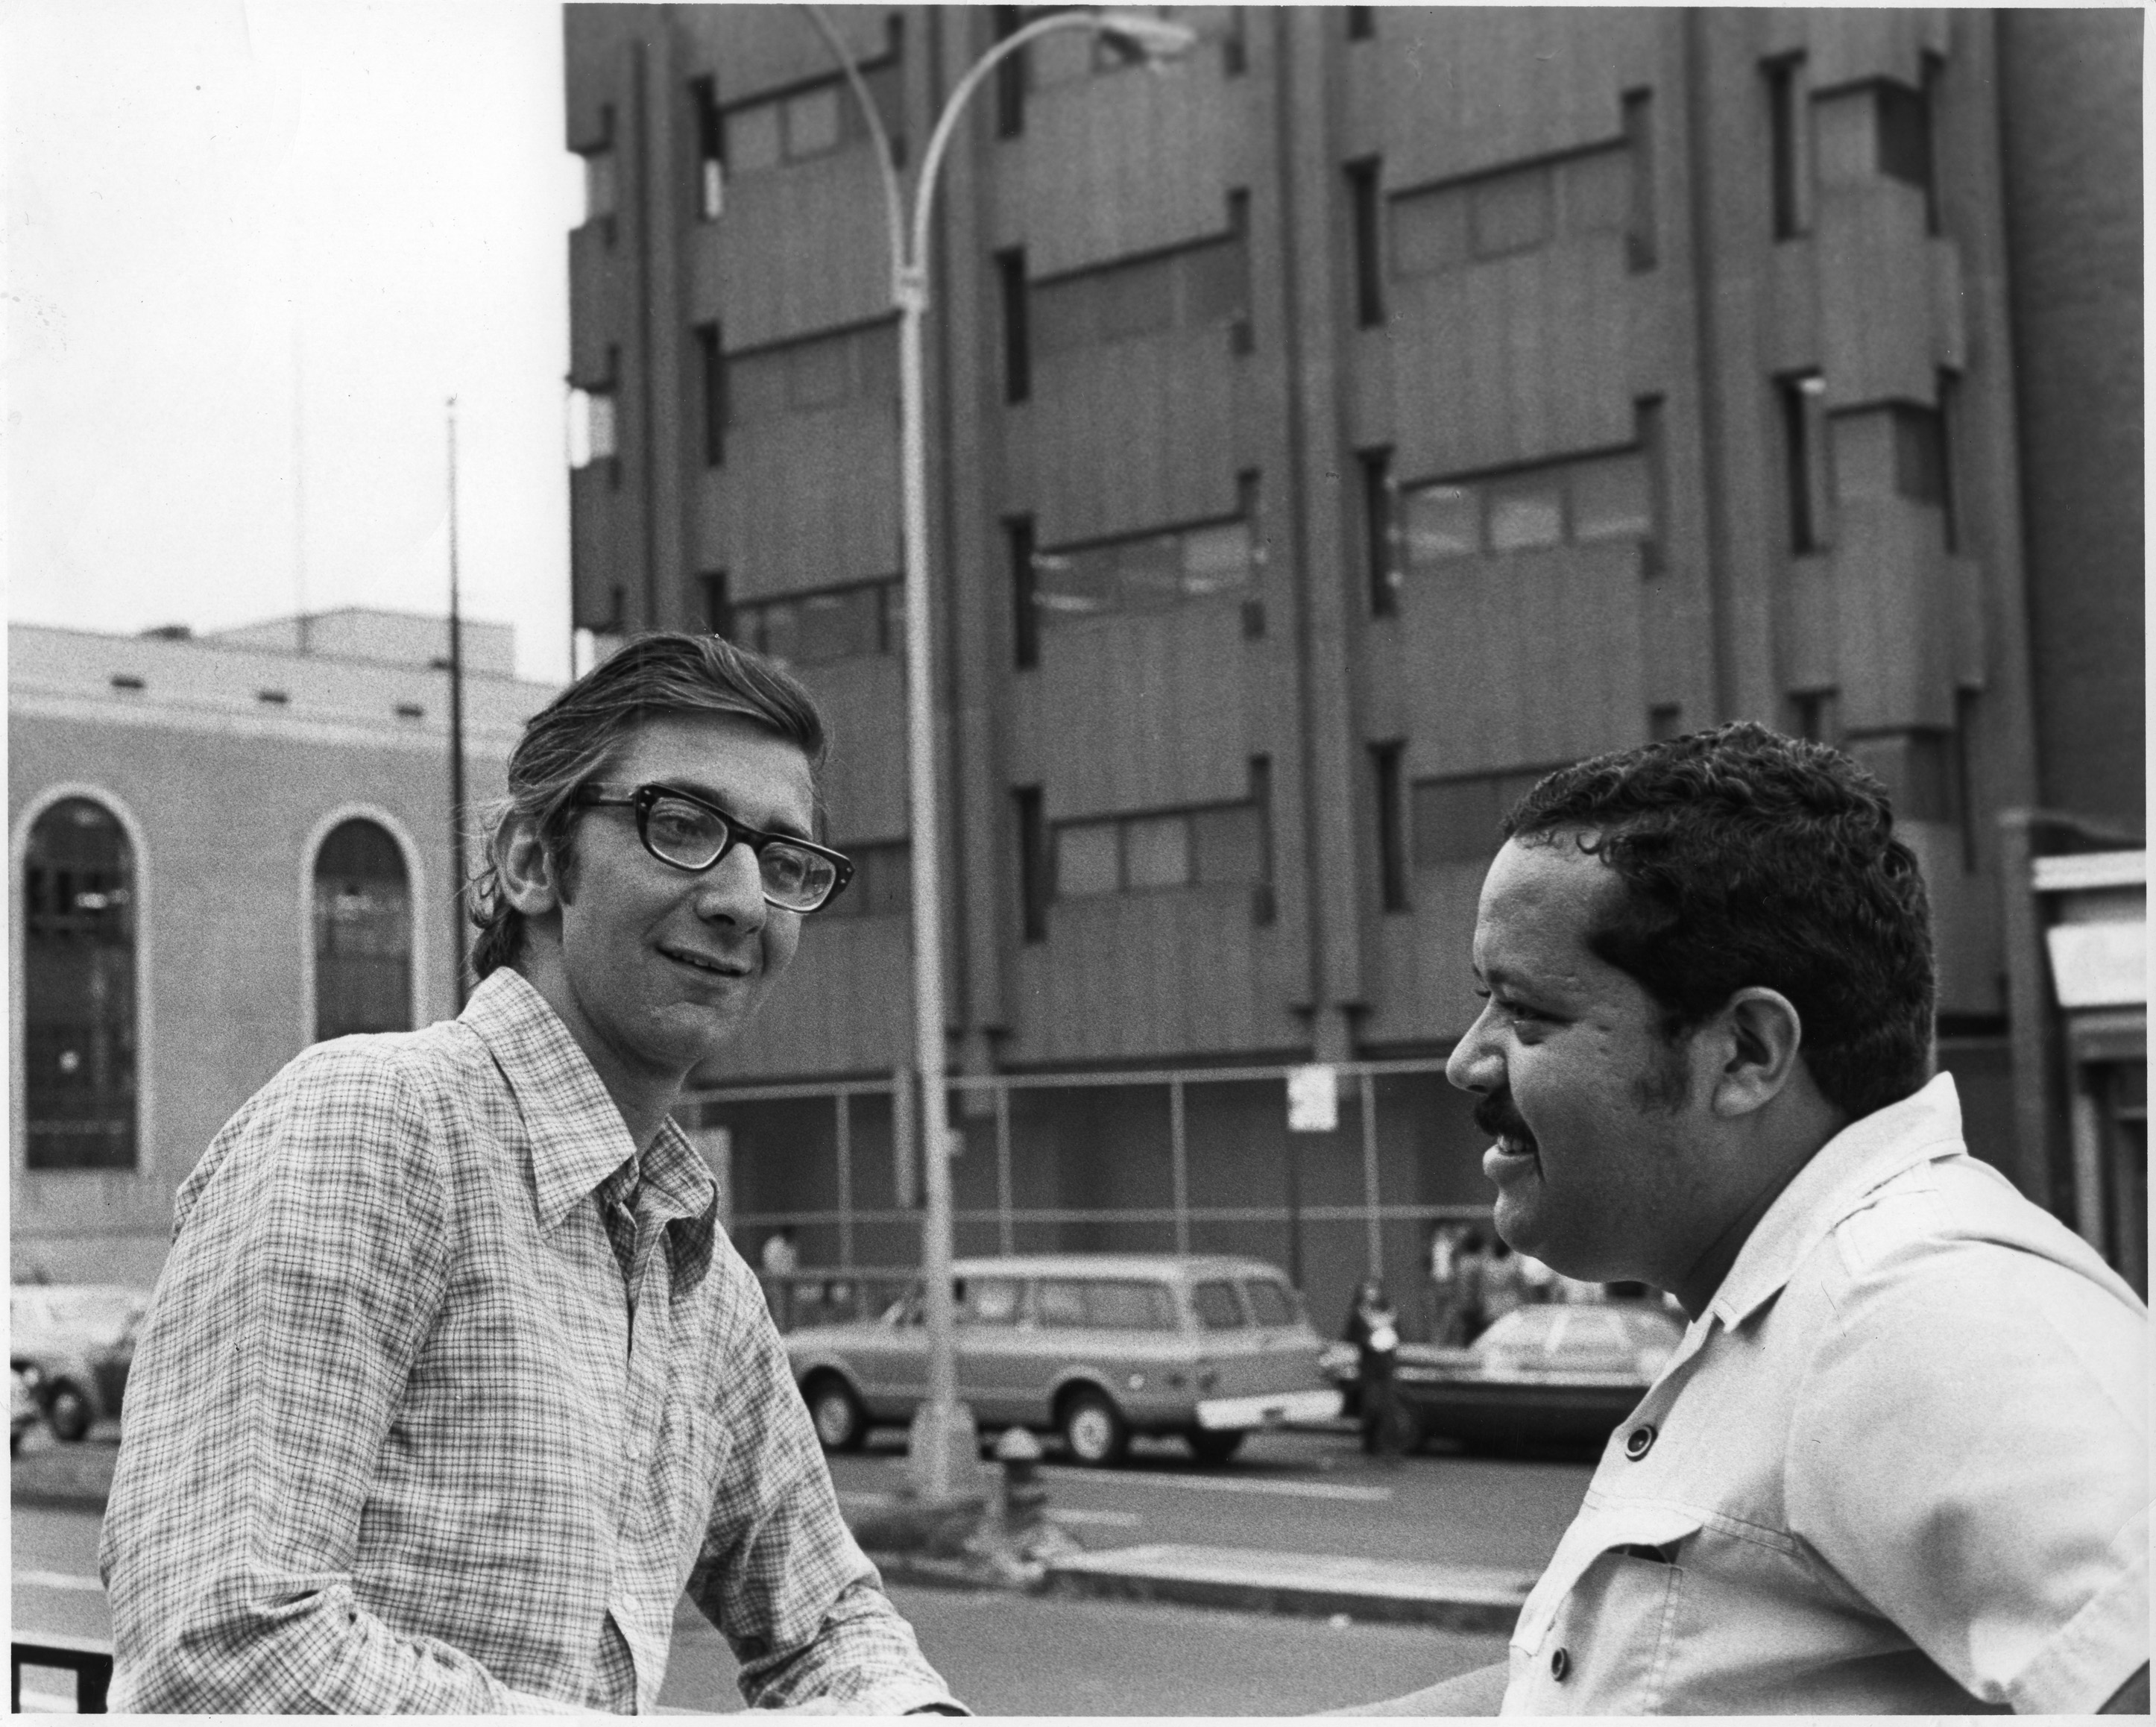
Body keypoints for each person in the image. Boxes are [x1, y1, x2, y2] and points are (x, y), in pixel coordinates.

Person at [100, 633, 964, 1714]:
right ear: (530, 863)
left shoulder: (700, 1280)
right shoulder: (375, 1129)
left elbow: (833, 1625)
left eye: (785, 860)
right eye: (683, 826)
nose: (745, 900)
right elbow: (218, 1650)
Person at [1349, 723, 2146, 1716]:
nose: (1467, 1061)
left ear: (1746, 1054)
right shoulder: (1802, 1306)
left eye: (1527, 1013)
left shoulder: (1912, 1307)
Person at [1342, 1279, 1405, 1456]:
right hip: (1369, 1367)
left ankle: (1385, 1443)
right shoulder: (1358, 1314)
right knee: (1371, 1405)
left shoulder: (1388, 1312)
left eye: (1374, 1290)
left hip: (1386, 1366)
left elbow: (1398, 1334)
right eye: (1368, 1290)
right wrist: (1369, 1340)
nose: (1371, 1293)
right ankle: (1371, 1443)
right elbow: (1352, 1336)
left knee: (1387, 1405)